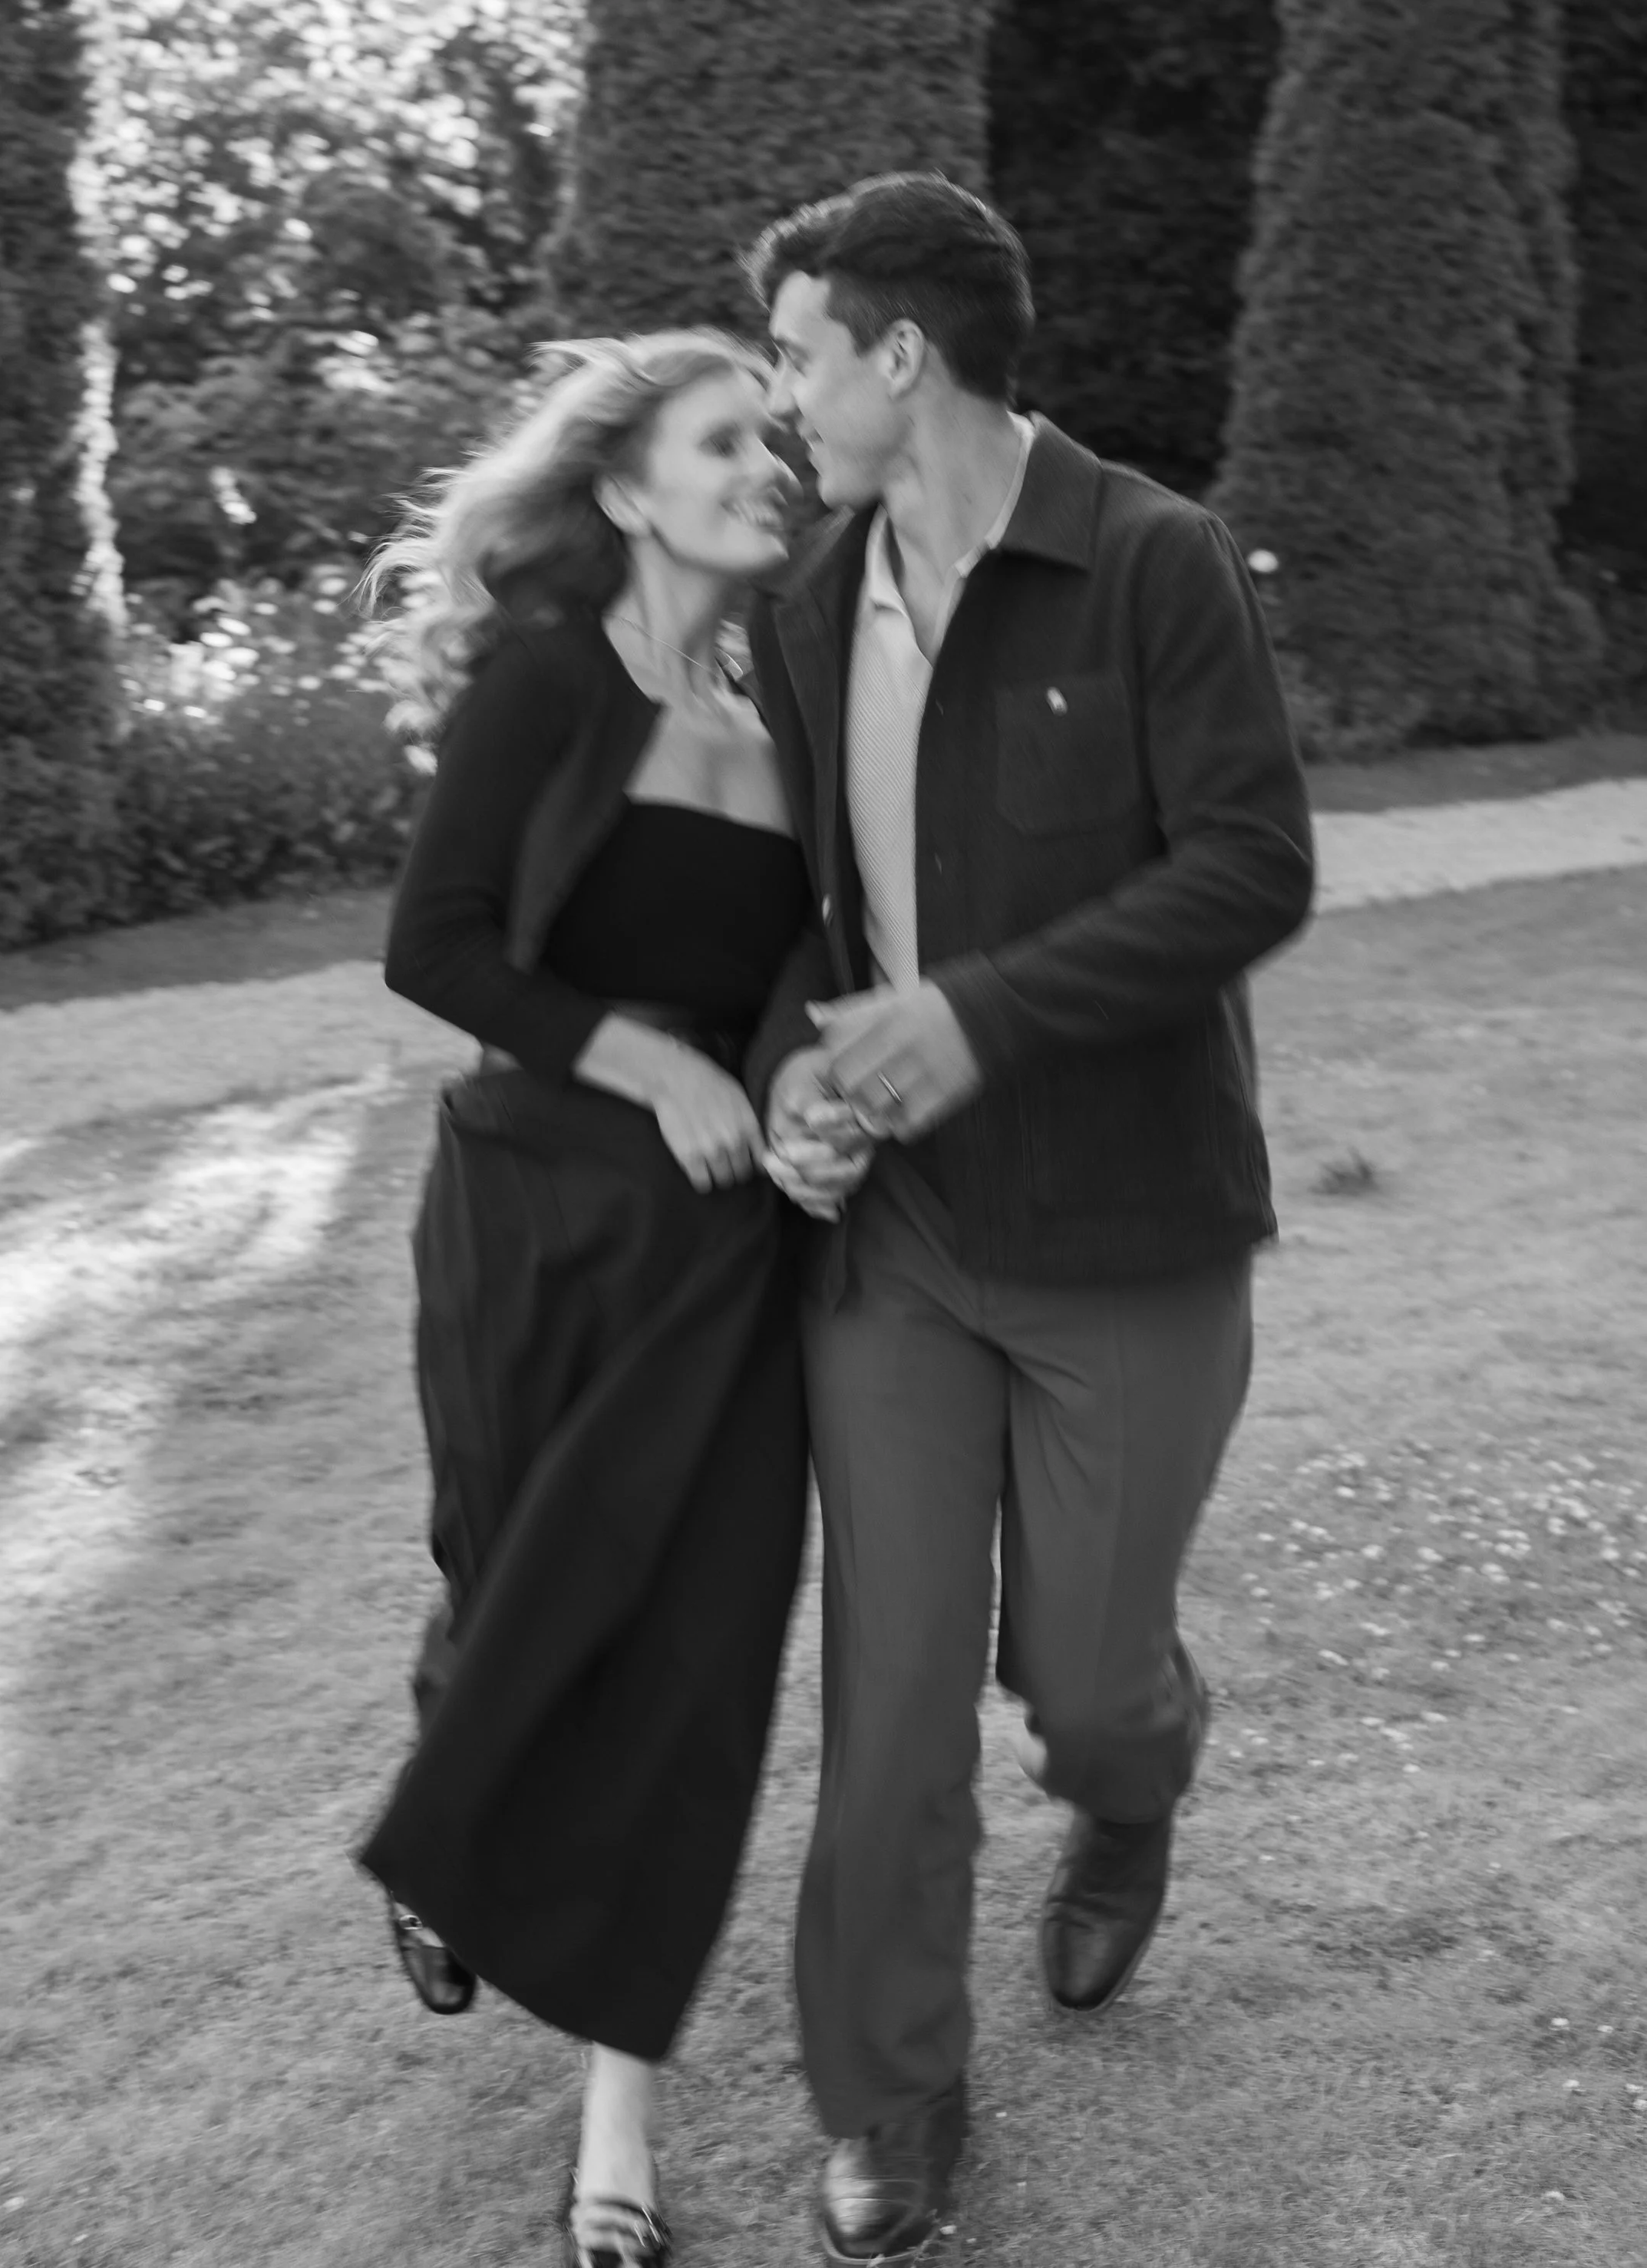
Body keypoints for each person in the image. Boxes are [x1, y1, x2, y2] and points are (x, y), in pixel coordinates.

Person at [742, 173, 1315, 2266]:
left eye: (803, 353)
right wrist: (798, 1081)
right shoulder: (805, 609)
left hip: (1137, 1233)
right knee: (886, 1696)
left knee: (1081, 1674)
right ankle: (889, 2093)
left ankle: (1133, 1771)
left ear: (903, 354)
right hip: (894, 1250)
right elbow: (803, 927)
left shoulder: (1152, 561)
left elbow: (1248, 870)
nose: (783, 394)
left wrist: (975, 1013)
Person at [357, 331, 820, 2268]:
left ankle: (615, 2116)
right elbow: (434, 947)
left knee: (690, 1656)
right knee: (510, 1577)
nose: (770, 468)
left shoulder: (788, 713)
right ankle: (453, 1784)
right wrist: (662, 1072)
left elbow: (813, 973)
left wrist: (789, 1095)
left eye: (780, 444)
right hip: (540, 1212)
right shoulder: (551, 681)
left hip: (725, 1249)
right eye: (727, 441)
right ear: (628, 488)